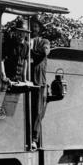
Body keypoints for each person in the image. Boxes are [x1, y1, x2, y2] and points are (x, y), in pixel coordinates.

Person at [29, 18, 51, 149]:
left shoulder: (44, 41)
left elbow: (44, 52)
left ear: (40, 29)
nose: (34, 29)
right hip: (27, 79)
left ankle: (34, 138)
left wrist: (29, 52)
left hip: (38, 80)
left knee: (37, 110)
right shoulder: (26, 40)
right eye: (32, 27)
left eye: (36, 27)